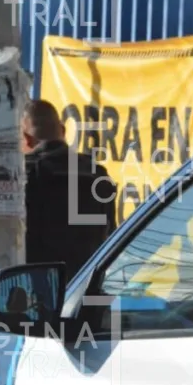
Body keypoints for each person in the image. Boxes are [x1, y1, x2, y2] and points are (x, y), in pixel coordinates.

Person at [22, 99, 118, 282]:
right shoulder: (97, 173)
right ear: (63, 130)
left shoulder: (24, 176)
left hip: (39, 287)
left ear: (26, 139)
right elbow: (110, 235)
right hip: (87, 288)